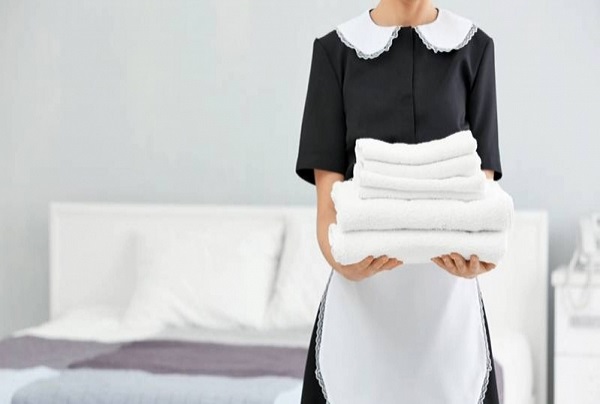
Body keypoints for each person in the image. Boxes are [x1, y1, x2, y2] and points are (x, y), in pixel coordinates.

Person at [294, 1, 503, 403]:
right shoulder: (335, 52)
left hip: (448, 315)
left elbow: (482, 196)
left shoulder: (475, 49)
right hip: (358, 312)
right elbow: (327, 212)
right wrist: (344, 262)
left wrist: (478, 253)